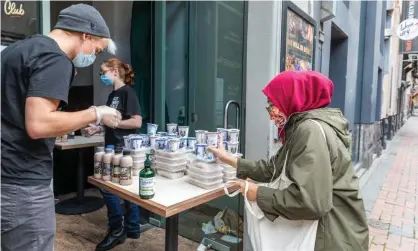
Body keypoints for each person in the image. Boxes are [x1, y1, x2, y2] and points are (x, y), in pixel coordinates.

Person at [1, 4, 120, 251]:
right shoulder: (55, 58)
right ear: (85, 35)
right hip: (23, 184)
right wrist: (95, 113)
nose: (93, 57)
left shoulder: (16, 51)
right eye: (96, 50)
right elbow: (39, 124)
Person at [208, 71, 369, 251]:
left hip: (333, 237)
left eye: (273, 106)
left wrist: (257, 193)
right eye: (268, 108)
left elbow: (311, 202)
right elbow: (272, 168)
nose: (271, 115)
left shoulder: (309, 131)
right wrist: (229, 159)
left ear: (292, 98)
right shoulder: (301, 127)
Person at [84, 58, 142, 251]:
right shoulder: (112, 96)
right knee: (123, 189)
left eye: (103, 72)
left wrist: (115, 124)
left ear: (115, 72)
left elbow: (136, 122)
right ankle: (132, 228)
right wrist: (97, 128)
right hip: (111, 146)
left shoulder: (128, 93)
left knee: (109, 189)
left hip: (123, 149)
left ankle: (118, 229)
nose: (102, 76)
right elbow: (110, 122)